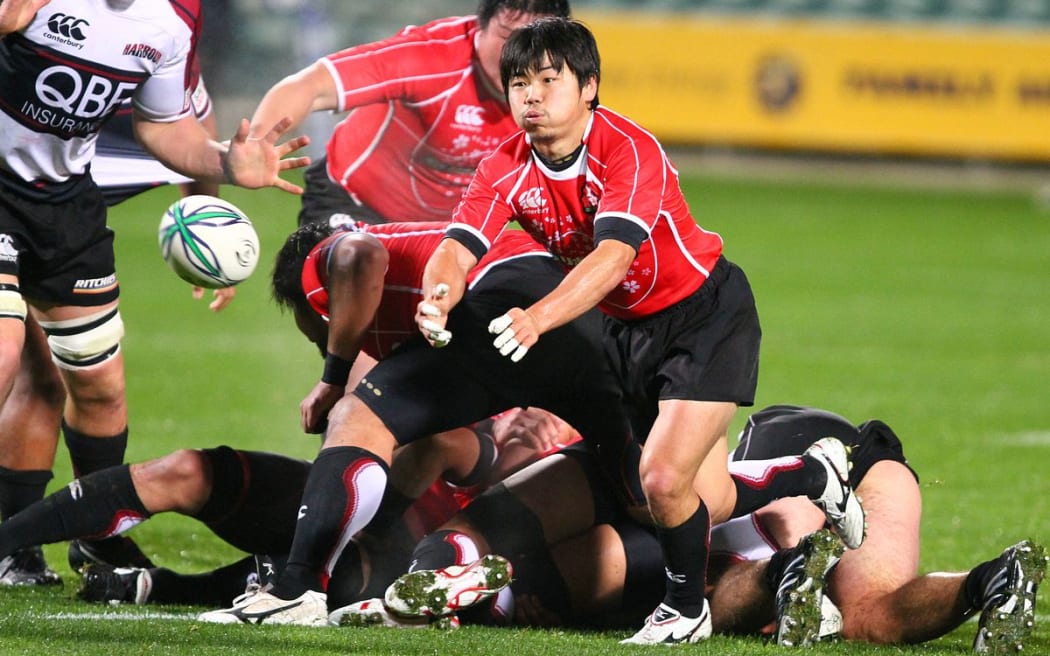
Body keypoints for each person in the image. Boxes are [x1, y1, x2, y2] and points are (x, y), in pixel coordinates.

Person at [414, 17, 863, 644]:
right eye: (519, 83)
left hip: (705, 316)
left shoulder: (628, 148)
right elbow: (457, 248)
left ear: (590, 86)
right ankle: (814, 475)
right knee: (698, 492)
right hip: (629, 334)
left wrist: (539, 317)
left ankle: (684, 610)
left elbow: (614, 257)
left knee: (661, 479)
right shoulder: (504, 167)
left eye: (549, 80)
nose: (532, 96)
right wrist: (437, 296)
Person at [195, 218, 640, 625]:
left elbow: (358, 255)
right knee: (656, 493)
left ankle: (299, 587)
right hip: (588, 321)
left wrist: (332, 377)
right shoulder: (419, 298)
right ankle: (681, 600)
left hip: (506, 304)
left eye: (320, 337)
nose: (329, 346)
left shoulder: (330, 259)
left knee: (358, 415)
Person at [0, 0, 307, 585]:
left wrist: (222, 163)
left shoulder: (173, 19)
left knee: (99, 388)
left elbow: (162, 125)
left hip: (64, 208)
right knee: (5, 351)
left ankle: (92, 541)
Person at [364, 405, 1046, 655]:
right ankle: (991, 581)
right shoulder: (578, 468)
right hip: (849, 459)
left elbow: (475, 520)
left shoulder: (582, 480)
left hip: (775, 489)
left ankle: (786, 577)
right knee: (877, 613)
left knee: (696, 579)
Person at [244, 0, 570, 228]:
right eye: (507, 38)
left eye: (532, 43)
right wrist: (257, 142)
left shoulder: (560, 89)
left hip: (450, 235)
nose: (516, 55)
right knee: (359, 263)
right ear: (479, 27)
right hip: (352, 203)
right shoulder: (431, 57)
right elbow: (311, 85)